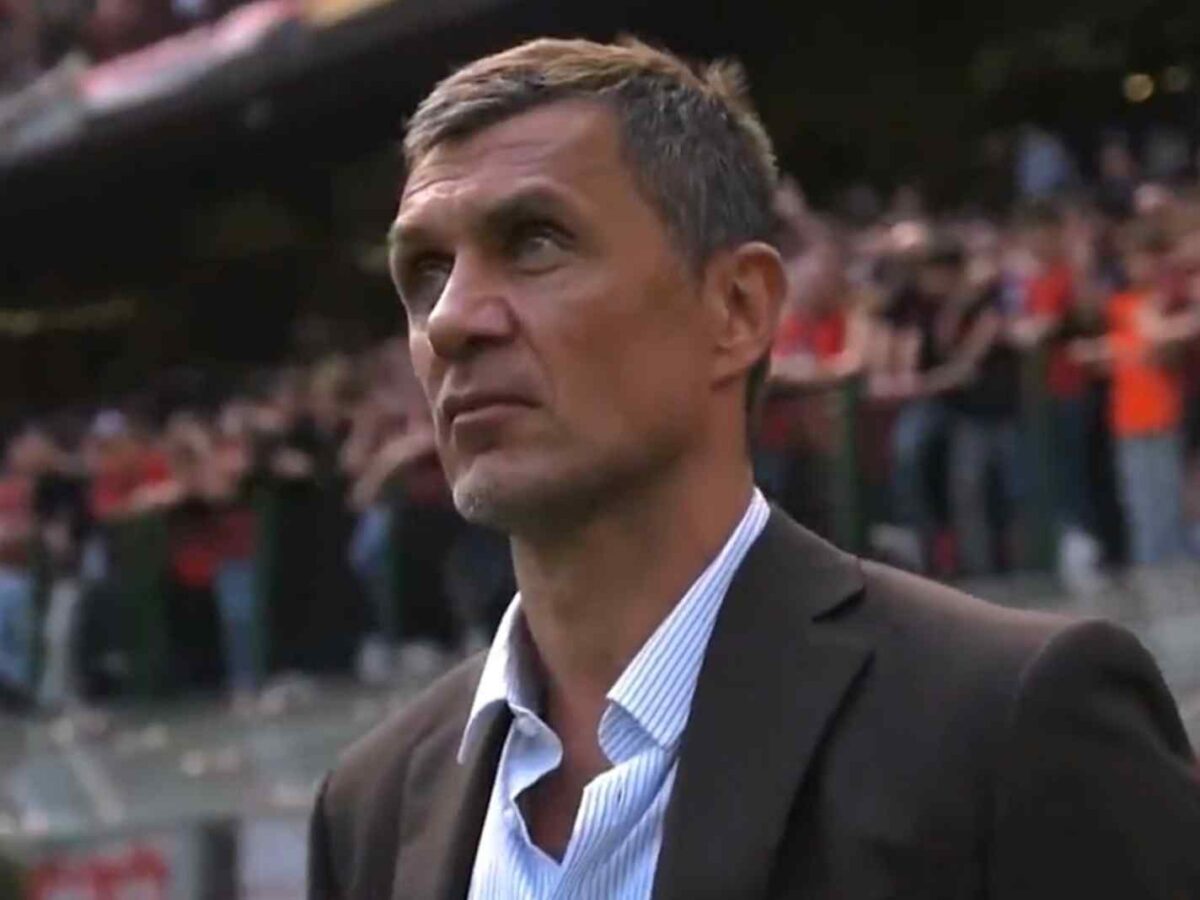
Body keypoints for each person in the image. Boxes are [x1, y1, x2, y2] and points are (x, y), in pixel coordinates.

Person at [308, 38, 1200, 900]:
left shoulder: (1009, 725)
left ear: (736, 308)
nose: (453, 319)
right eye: (424, 271)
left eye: (536, 241)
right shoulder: (370, 807)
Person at [1073, 222, 1200, 565]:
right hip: (1128, 419)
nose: (1140, 268)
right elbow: (1106, 353)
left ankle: (1179, 588)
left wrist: (1116, 349)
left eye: (1147, 259)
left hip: (1165, 416)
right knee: (1141, 509)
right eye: (1133, 260)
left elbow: (1164, 351)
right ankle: (1155, 585)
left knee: (1171, 509)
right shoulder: (1121, 304)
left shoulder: (1169, 301)